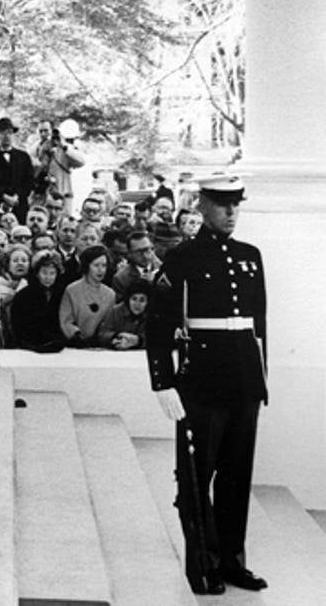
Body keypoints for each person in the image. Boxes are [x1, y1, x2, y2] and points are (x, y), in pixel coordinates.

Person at [146, 173, 268, 595]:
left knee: (237, 478)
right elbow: (158, 324)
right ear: (201, 205)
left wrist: (261, 379)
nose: (231, 212)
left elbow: (259, 325)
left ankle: (233, 560)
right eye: (222, 203)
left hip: (243, 382)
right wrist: (163, 382)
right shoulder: (183, 258)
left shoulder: (250, 256)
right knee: (197, 480)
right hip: (200, 383)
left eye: (236, 203)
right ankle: (203, 563)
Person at [59, 245, 117, 346]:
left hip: (101, 348)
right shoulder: (72, 290)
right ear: (87, 266)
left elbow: (110, 324)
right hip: (75, 346)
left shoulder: (110, 294)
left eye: (104, 265)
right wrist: (77, 337)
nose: (101, 270)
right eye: (96, 265)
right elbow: (66, 322)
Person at [0, 117, 33, 223]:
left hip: (19, 206)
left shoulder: (23, 156)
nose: (6, 136)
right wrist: (3, 196)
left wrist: (17, 196)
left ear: (13, 134)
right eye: (3, 133)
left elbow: (29, 181)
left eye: (9, 132)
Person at [10, 250, 66, 352]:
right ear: (37, 273)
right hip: (29, 345)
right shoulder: (23, 296)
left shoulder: (62, 294)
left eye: (52, 273)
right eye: (44, 272)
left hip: (58, 345)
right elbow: (18, 326)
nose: (48, 277)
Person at [97, 281, 149, 349]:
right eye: (134, 299)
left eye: (142, 300)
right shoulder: (115, 312)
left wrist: (138, 340)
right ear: (128, 299)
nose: (137, 304)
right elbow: (102, 334)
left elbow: (157, 337)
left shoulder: (152, 314)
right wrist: (117, 337)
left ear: (148, 302)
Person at [113, 230, 159, 300]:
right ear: (129, 254)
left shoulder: (164, 269)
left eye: (147, 250)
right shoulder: (121, 278)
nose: (145, 256)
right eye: (139, 252)